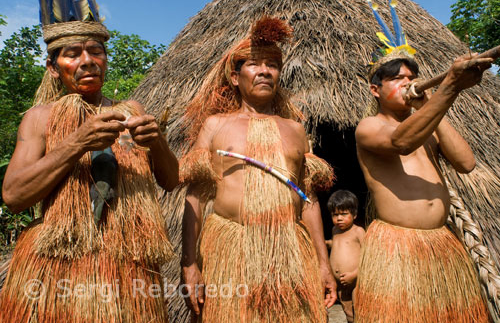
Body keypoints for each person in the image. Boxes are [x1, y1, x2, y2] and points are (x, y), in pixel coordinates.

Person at [0, 0, 178, 322]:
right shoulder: (40, 118)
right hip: (61, 269)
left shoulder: (132, 112)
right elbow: (13, 196)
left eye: (96, 51)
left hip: (130, 269)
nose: (87, 60)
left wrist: (159, 144)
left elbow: (171, 180)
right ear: (53, 67)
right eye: (73, 54)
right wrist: (76, 143)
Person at [180, 17, 336, 323]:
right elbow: (195, 197)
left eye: (272, 65)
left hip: (290, 250)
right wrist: (189, 264)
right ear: (236, 78)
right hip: (231, 248)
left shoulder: (295, 129)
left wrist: (323, 263)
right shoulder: (216, 126)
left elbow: (309, 200)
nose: (265, 71)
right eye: (254, 64)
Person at [353, 24, 493, 323]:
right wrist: (451, 86)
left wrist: (431, 102)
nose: (407, 83)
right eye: (396, 79)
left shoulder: (428, 127)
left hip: (441, 243)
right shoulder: (369, 127)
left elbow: (466, 163)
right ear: (375, 90)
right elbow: (401, 143)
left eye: (411, 78)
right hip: (398, 248)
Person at [325, 190, 364, 323]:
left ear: (354, 215)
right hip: (340, 284)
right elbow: (337, 245)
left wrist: (354, 274)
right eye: (335, 215)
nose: (339, 218)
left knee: (359, 311)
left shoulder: (358, 231)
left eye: (343, 214)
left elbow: (368, 256)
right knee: (348, 312)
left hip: (356, 280)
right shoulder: (335, 230)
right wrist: (326, 243)